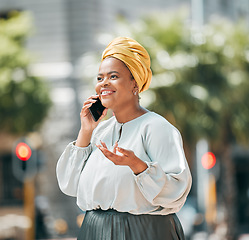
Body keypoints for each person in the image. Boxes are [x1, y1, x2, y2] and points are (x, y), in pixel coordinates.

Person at [56, 36, 192, 240]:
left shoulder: (157, 128)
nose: (104, 84)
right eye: (100, 78)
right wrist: (86, 131)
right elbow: (69, 185)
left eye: (113, 76)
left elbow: (176, 192)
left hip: (142, 231)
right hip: (94, 230)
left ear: (134, 83)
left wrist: (137, 165)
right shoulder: (100, 131)